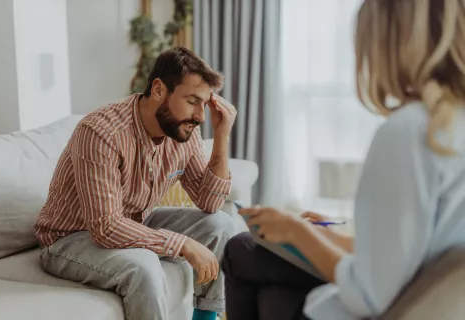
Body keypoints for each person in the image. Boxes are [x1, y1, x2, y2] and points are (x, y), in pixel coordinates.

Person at [222, 0, 465, 319]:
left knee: (245, 253)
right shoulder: (451, 125)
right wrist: (329, 235)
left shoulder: (413, 130)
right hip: (430, 303)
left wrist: (299, 232)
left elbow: (370, 293)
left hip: (389, 306)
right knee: (255, 264)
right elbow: (416, 252)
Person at [35, 46, 237, 320]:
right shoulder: (101, 133)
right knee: (143, 265)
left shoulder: (183, 132)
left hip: (134, 223)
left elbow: (210, 202)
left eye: (204, 103)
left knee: (220, 224)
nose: (200, 116)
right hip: (68, 240)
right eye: (192, 101)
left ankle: (205, 318)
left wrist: (223, 134)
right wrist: (183, 244)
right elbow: (105, 228)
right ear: (158, 90)